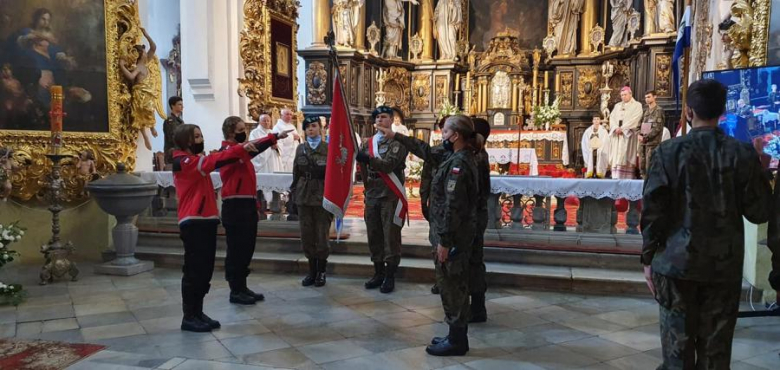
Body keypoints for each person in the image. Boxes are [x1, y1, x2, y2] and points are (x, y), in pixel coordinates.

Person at [641, 79, 779, 368]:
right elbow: (759, 212)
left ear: (689, 112)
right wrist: (762, 173)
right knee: (715, 356)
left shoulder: (667, 152)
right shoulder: (742, 154)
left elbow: (653, 211)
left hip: (675, 266)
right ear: (722, 111)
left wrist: (647, 258)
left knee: (676, 355)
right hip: (722, 267)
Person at [376, 115, 481, 356]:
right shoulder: (452, 155)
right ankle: (455, 334)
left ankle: (457, 341)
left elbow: (453, 206)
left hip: (452, 237)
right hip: (450, 234)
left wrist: (444, 241)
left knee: (452, 285)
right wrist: (395, 136)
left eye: (445, 132)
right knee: (450, 284)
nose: (441, 136)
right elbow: (424, 150)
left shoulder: (460, 164)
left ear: (455, 136)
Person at [171, 123, 261, 332]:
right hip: (193, 220)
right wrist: (240, 149)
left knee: (205, 270)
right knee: (194, 271)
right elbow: (214, 161)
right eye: (196, 136)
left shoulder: (192, 160)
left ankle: (198, 311)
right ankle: (189, 316)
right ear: (186, 140)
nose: (201, 139)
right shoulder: (181, 161)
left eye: (201, 135)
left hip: (206, 219)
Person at [218, 117, 289, 306]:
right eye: (241, 129)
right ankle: (235, 289)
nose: (245, 132)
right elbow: (251, 148)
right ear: (231, 132)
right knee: (236, 249)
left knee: (247, 247)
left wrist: (274, 138)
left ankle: (243, 286)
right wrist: (273, 137)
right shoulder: (227, 151)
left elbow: (252, 148)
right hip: (234, 206)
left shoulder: (241, 150)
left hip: (247, 204)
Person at [356, 105, 409, 294]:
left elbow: (388, 166)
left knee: (390, 236)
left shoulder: (398, 143)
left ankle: (390, 275)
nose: (379, 120)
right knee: (374, 234)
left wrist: (368, 160)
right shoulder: (367, 143)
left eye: (384, 117)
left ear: (392, 120)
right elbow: (361, 167)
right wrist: (366, 182)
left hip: (390, 194)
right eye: (377, 117)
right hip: (372, 193)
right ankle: (378, 272)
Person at [291, 116, 332, 287]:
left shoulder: (327, 148)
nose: (310, 129)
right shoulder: (301, 148)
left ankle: (321, 271)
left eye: (314, 126)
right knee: (307, 235)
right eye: (307, 127)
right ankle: (311, 271)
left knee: (321, 235)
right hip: (304, 196)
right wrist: (294, 196)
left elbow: (334, 175)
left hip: (322, 196)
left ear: (321, 129)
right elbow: (296, 173)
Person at [468, 117, 491, 323]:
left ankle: (475, 307)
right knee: (475, 263)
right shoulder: (479, 155)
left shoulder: (476, 157)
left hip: (472, 218)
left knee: (473, 263)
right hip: (476, 216)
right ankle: (476, 305)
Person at [249, 112, 282, 210]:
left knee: (274, 181)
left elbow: (279, 146)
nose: (266, 122)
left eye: (268, 120)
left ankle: (274, 203)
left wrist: (276, 147)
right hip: (263, 163)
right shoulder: (255, 133)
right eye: (264, 120)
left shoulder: (272, 132)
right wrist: (268, 146)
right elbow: (254, 147)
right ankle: (264, 203)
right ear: (259, 121)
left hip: (273, 160)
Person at [608, 86, 643, 179]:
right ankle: (615, 177)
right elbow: (612, 118)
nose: (623, 97)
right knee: (616, 157)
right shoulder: (617, 106)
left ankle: (627, 178)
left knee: (626, 155)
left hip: (628, 136)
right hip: (617, 135)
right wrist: (615, 128)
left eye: (625, 95)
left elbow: (636, 119)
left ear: (630, 94)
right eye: (622, 95)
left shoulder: (637, 105)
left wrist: (623, 129)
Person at [638, 90, 665, 179]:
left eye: (649, 97)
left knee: (650, 166)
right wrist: (639, 134)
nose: (647, 99)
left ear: (655, 97)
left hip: (652, 143)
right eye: (646, 97)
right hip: (643, 143)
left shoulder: (659, 110)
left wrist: (646, 137)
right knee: (642, 166)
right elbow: (639, 125)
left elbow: (657, 128)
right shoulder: (646, 111)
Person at [272, 108, 301, 172]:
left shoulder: (292, 126)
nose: (289, 116)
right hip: (285, 154)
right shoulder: (277, 127)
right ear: (281, 115)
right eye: (287, 114)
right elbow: (277, 140)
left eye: (291, 114)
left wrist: (299, 138)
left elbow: (297, 138)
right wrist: (292, 138)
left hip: (293, 154)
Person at [163, 96, 184, 167]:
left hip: (180, 154)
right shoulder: (170, 121)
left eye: (182, 104)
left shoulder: (180, 121)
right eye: (179, 104)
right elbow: (173, 138)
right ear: (173, 106)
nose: (182, 106)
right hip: (172, 155)